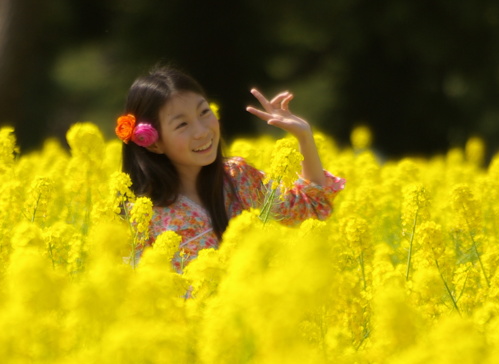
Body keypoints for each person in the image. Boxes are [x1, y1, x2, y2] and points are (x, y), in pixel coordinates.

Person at [118, 65, 345, 271]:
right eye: (182, 124)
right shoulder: (142, 214)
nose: (202, 131)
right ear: (154, 142)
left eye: (204, 112)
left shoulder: (238, 178)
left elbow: (313, 208)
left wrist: (304, 136)